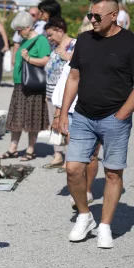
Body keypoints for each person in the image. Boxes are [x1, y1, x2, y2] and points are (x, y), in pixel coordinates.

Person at [59, 0, 134, 248]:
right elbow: (73, 77)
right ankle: (84, 215)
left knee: (112, 172)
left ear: (114, 16)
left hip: (115, 118)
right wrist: (62, 113)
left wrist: (123, 114)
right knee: (73, 169)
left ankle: (105, 226)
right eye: (90, 15)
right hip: (83, 116)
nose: (92, 20)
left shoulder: (130, 42)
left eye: (97, 16)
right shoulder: (84, 40)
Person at [52, 23, 97, 210]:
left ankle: (87, 190)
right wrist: (57, 114)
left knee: (92, 155)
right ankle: (80, 193)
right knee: (76, 156)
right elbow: (63, 85)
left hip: (92, 111)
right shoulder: (75, 57)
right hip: (71, 111)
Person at [1, 11, 50, 161]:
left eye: (20, 30)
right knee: (16, 117)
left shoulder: (41, 40)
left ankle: (31, 149)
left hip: (33, 84)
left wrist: (28, 58)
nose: (18, 33)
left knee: (32, 118)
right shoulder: (24, 40)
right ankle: (13, 148)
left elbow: (45, 60)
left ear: (28, 27)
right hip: (19, 83)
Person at [42, 17, 76, 169]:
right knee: (53, 124)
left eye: (50, 35)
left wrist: (66, 57)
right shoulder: (53, 46)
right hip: (51, 92)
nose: (48, 38)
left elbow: (77, 66)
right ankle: (57, 154)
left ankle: (69, 158)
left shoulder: (74, 44)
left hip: (66, 92)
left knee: (66, 124)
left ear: (60, 31)